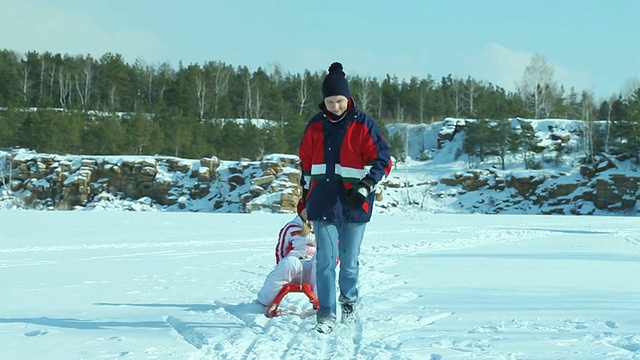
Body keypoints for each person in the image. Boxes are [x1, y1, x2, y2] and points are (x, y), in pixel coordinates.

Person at [298, 62, 392, 333]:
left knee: (349, 261)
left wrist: (365, 186)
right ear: (323, 101)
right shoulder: (315, 126)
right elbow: (306, 166)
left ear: (348, 98)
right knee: (325, 260)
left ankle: (348, 302)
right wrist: (304, 201)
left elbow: (383, 159)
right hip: (323, 202)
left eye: (339, 101)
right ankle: (326, 312)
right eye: (330, 101)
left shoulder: (363, 124)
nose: (335, 106)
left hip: (354, 203)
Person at [256, 203, 317, 308]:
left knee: (320, 260)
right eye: (305, 210)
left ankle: (321, 301)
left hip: (312, 269)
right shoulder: (291, 227)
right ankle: (264, 302)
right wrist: (282, 265)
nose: (309, 212)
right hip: (293, 267)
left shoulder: (322, 229)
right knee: (290, 262)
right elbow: (280, 250)